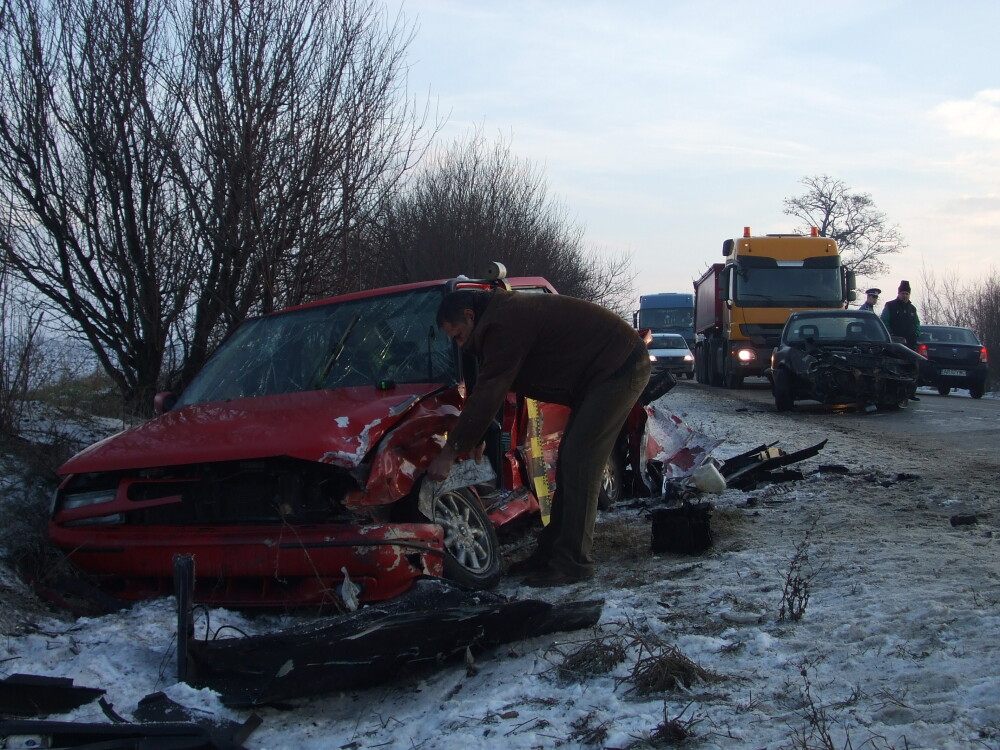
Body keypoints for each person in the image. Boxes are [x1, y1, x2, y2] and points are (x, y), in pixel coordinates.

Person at [427, 287, 650, 588]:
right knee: (571, 460)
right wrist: (477, 435)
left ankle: (573, 563)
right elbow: (489, 386)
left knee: (579, 460)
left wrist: (450, 451)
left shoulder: (504, 322)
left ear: (469, 315)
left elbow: (491, 387)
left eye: (458, 335)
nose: (460, 344)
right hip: (594, 376)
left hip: (619, 366)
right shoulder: (496, 320)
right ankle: (550, 555)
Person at [880, 280, 920, 348]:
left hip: (910, 343)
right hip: (894, 342)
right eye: (903, 293)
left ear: (909, 295)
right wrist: (890, 334)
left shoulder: (912, 308)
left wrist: (916, 333)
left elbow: (917, 323)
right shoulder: (890, 306)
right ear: (899, 294)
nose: (905, 296)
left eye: (907, 294)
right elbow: (884, 321)